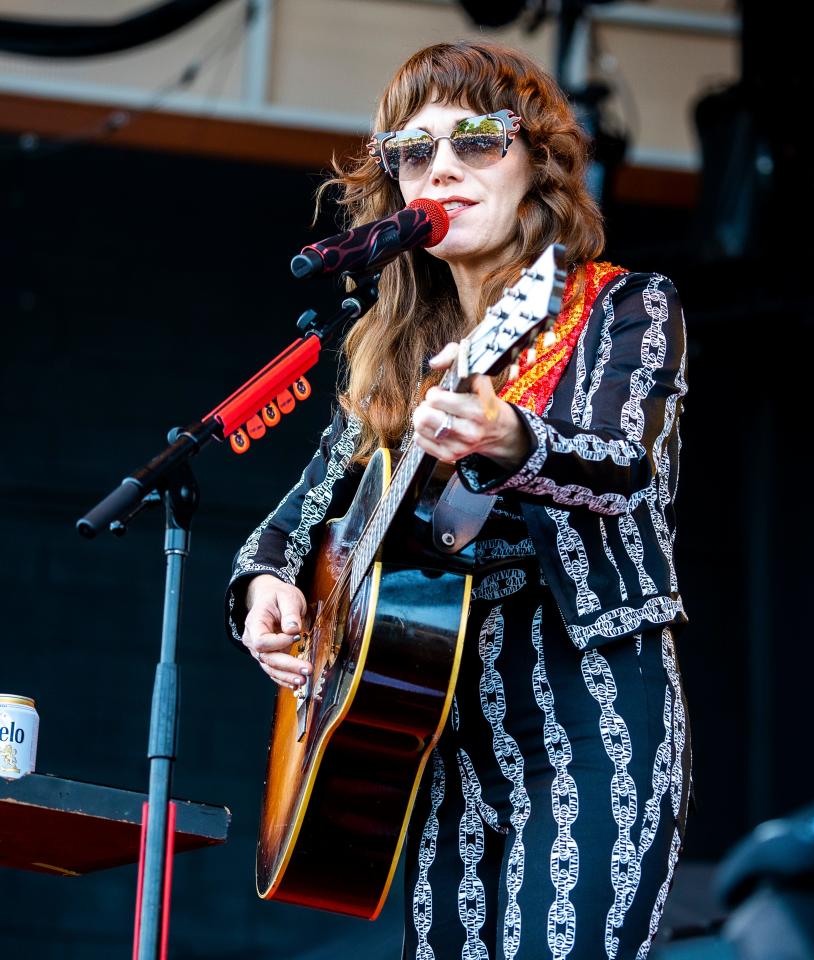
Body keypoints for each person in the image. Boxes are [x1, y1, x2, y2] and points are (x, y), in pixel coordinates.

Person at [226, 40, 691, 960]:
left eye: (479, 140)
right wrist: (262, 588)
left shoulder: (620, 307)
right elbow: (298, 517)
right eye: (414, 150)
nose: (444, 165)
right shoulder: (392, 348)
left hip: (588, 706)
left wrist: (509, 437)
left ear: (537, 163)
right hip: (429, 727)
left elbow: (621, 462)